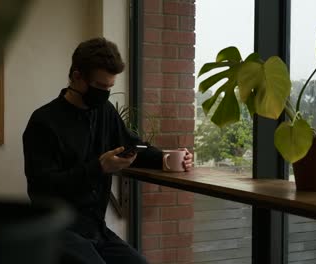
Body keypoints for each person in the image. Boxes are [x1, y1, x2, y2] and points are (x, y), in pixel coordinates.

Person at [22, 37, 193, 264]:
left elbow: (131, 145)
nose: (105, 94)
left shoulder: (105, 111)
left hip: (97, 230)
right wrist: (99, 167)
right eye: (100, 87)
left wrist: (168, 158)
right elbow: (42, 188)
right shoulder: (43, 122)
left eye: (110, 87)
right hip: (59, 231)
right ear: (77, 77)